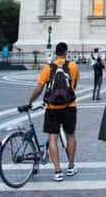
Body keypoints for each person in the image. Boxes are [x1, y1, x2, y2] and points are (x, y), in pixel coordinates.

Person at [26, 42, 80, 182]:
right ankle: (70, 166)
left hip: (52, 108)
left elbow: (39, 89)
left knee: (52, 138)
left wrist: (30, 102)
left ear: (55, 53)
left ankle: (57, 171)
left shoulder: (48, 68)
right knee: (71, 135)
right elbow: (74, 85)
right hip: (69, 106)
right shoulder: (73, 66)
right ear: (66, 52)